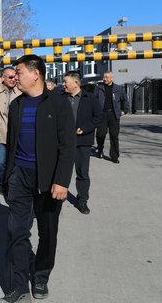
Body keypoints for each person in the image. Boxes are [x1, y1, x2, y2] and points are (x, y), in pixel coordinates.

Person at [0, 55, 75, 303]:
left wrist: (62, 181)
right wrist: (8, 176)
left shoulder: (58, 104)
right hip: (20, 176)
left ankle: (40, 276)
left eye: (18, 72)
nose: (14, 77)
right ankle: (19, 286)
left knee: (47, 231)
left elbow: (68, 146)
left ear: (35, 74)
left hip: (48, 178)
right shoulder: (16, 105)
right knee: (17, 232)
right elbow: (11, 145)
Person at [62, 71, 102, 215]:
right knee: (62, 171)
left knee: (82, 173)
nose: (63, 84)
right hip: (64, 142)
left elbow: (98, 118)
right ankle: (60, 196)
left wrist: (84, 129)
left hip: (82, 142)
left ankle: (82, 200)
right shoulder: (62, 98)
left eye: (66, 81)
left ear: (76, 83)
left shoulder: (90, 99)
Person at [94, 71, 130, 163]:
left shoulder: (118, 88)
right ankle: (100, 149)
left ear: (112, 78)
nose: (104, 79)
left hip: (114, 115)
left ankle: (114, 156)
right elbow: (93, 100)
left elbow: (125, 100)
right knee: (101, 134)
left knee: (114, 135)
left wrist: (124, 111)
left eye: (106, 77)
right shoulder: (99, 88)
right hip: (102, 114)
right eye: (104, 77)